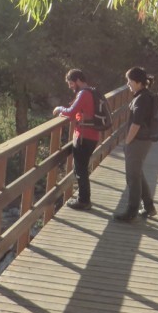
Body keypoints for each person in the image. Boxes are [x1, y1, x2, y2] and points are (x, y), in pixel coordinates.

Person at [113, 66, 158, 223]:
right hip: (143, 140)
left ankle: (131, 211)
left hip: (138, 141)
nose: (128, 84)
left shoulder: (141, 99)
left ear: (139, 82)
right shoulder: (145, 95)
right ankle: (148, 207)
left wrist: (127, 142)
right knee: (137, 172)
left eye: (130, 81)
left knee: (132, 176)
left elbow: (136, 124)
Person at [53, 68, 102, 210]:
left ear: (78, 81)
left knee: (80, 169)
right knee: (81, 167)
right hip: (92, 136)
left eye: (71, 83)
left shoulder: (84, 94)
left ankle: (84, 201)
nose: (70, 86)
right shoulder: (92, 92)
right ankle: (83, 198)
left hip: (84, 137)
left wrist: (59, 108)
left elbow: (71, 111)